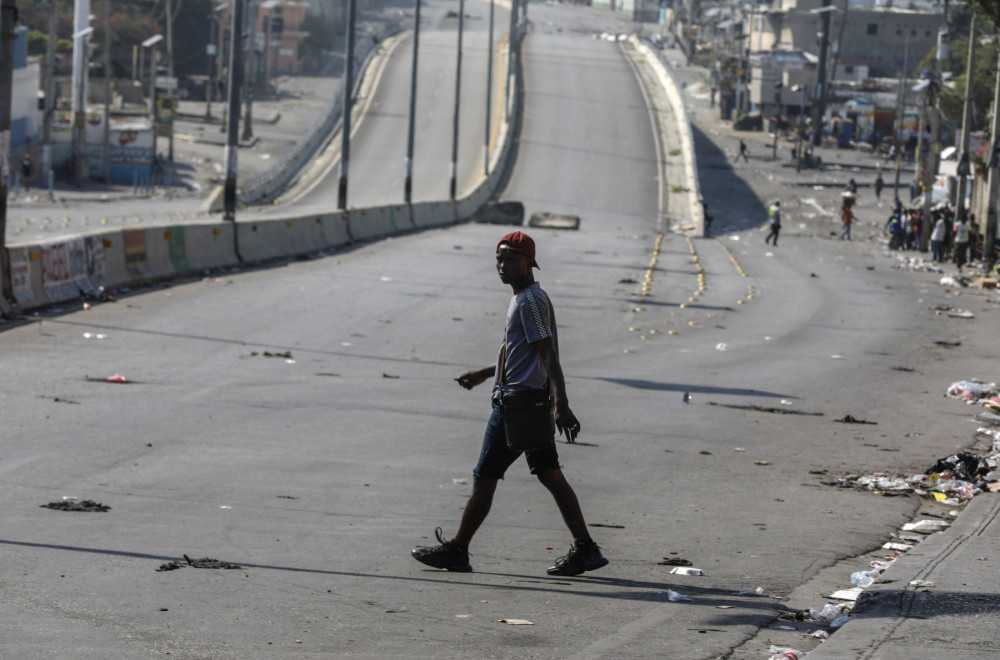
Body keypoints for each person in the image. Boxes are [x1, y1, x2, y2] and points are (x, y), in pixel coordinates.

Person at [411, 232, 608, 577]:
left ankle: (458, 551)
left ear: (530, 263)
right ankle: (586, 549)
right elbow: (523, 352)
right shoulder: (523, 298)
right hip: (527, 403)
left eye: (511, 260)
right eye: (499, 259)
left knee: (485, 477)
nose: (503, 266)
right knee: (550, 476)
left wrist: (562, 403)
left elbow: (548, 354)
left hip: (517, 407)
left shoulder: (530, 301)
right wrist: (486, 373)